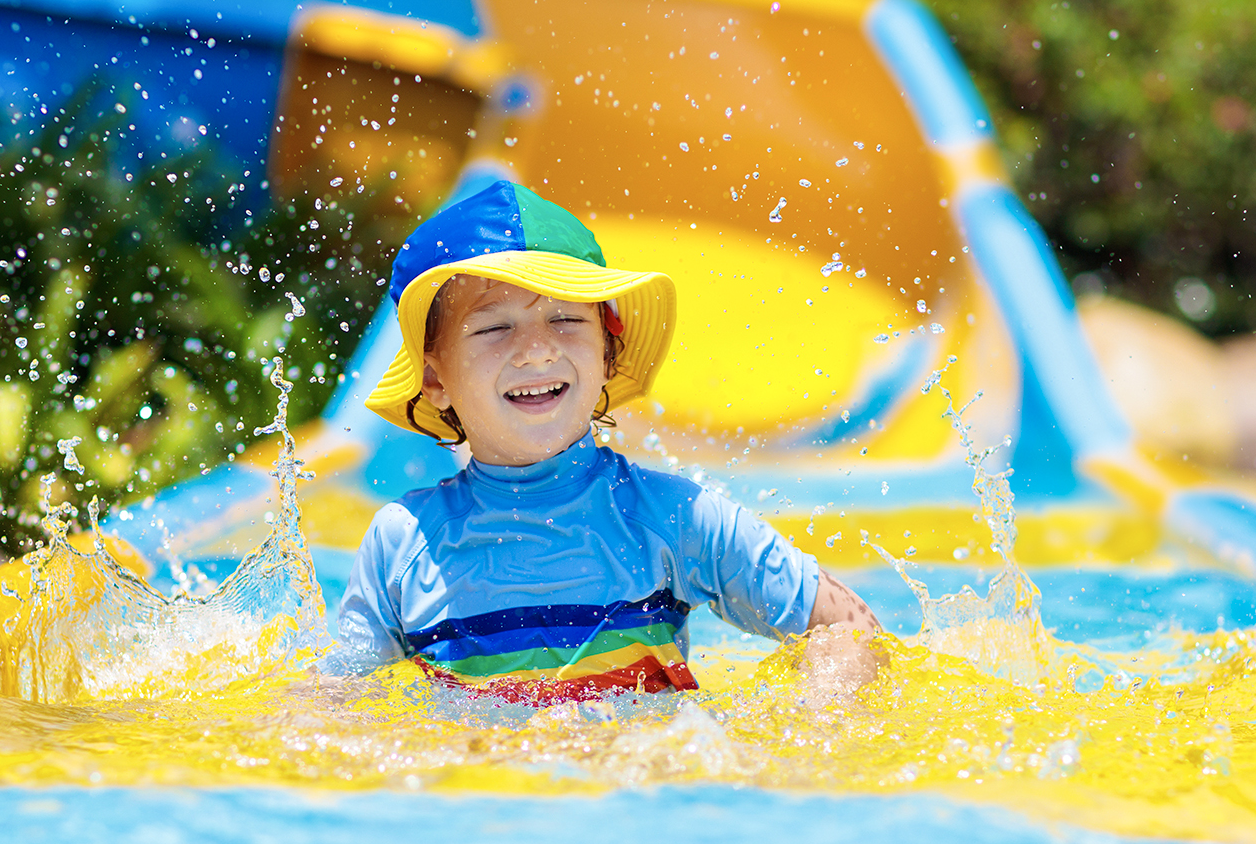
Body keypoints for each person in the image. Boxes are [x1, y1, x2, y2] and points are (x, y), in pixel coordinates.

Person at [335, 180, 881, 702]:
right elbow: (344, 703)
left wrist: (814, 726)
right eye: (494, 327)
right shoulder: (404, 545)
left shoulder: (675, 517)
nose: (538, 351)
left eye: (567, 318)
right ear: (435, 380)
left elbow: (848, 626)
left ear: (606, 354)